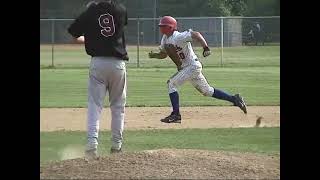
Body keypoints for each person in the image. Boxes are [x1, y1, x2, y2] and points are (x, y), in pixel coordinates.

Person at [148, 16, 247, 123]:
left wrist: (205, 47)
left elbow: (197, 34)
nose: (161, 28)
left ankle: (176, 115)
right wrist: (155, 56)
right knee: (207, 91)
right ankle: (235, 99)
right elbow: (164, 54)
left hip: (192, 66)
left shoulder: (179, 36)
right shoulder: (165, 39)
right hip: (188, 68)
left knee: (171, 84)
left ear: (171, 27)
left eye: (164, 26)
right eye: (161, 26)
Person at [67, 0, 128, 159]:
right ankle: (116, 146)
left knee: (95, 105)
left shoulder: (90, 11)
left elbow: (74, 34)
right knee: (118, 107)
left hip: (98, 63)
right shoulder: (120, 9)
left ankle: (92, 146)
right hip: (117, 64)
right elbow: (115, 29)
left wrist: (90, 8)